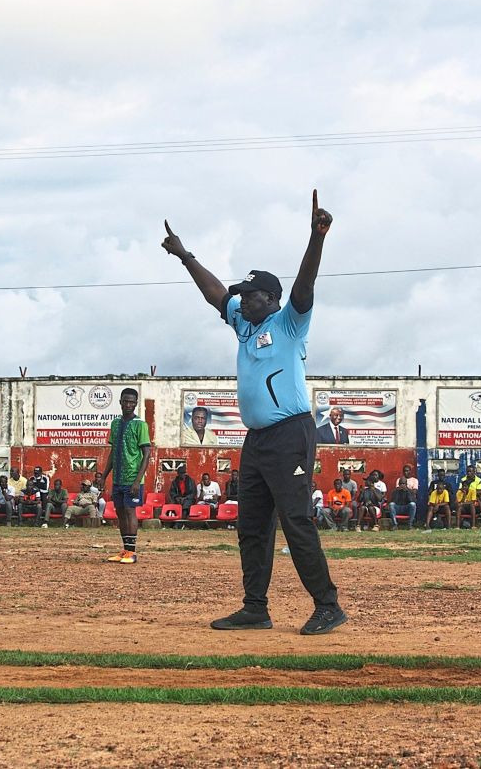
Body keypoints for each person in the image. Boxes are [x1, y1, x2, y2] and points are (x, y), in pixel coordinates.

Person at [162, 190, 346, 635]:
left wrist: (316, 237)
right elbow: (214, 293)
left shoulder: (289, 323)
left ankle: (327, 605)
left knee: (296, 520)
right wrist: (185, 255)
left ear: (271, 298)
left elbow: (304, 285)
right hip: (259, 440)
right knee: (252, 525)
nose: (240, 300)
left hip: (290, 434)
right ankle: (255, 608)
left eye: (249, 295)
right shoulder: (243, 323)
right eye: (241, 295)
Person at [100, 387, 153, 563]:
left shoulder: (140, 425)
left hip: (133, 478)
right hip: (118, 478)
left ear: (136, 403)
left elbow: (146, 453)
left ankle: (132, 552)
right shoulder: (115, 424)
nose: (128, 404)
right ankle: (124, 550)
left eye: (132, 402)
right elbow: (113, 451)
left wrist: (138, 480)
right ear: (120, 402)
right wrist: (104, 475)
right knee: (121, 513)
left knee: (130, 512)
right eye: (125, 401)